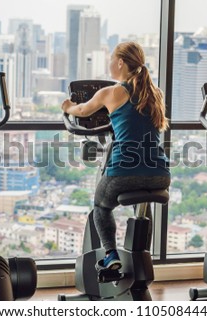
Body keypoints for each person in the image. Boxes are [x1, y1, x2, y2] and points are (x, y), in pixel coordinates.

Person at [61, 41, 170, 271]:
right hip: (160, 173)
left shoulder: (111, 92)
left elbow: (82, 110)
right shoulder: (155, 93)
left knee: (101, 206)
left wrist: (68, 106)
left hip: (124, 171)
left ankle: (111, 254)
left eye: (112, 59)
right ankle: (142, 255)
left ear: (120, 62)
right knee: (142, 205)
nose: (110, 63)